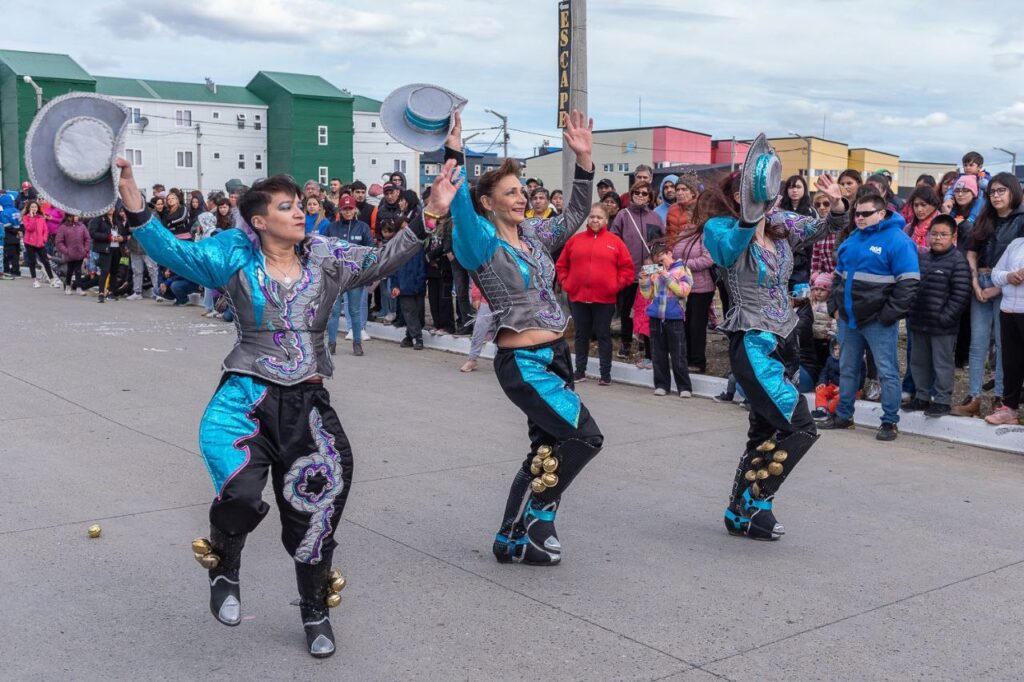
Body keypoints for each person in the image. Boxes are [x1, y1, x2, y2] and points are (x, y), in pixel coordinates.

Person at [114, 154, 442, 657]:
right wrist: (134, 199)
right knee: (240, 494)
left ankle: (315, 610)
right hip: (245, 398)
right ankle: (225, 565)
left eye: (299, 206)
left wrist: (430, 214)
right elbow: (171, 250)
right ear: (260, 220)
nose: (298, 214)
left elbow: (382, 258)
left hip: (309, 407)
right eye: (286, 207)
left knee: (316, 513)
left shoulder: (327, 257)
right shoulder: (233, 256)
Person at [431, 110, 600, 565]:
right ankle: (537, 521)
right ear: (489, 203)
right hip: (524, 363)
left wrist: (584, 160)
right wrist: (454, 150)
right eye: (511, 192)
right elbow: (460, 206)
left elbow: (578, 213)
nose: (522, 197)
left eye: (523, 190)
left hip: (555, 356)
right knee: (584, 437)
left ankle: (509, 539)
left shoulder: (536, 236)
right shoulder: (480, 243)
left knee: (546, 450)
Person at [705, 161, 847, 541]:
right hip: (753, 341)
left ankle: (742, 512)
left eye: (772, 191)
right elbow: (730, 248)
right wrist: (753, 217)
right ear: (739, 196)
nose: (772, 198)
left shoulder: (782, 225)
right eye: (760, 191)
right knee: (800, 425)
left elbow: (827, 228)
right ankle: (756, 501)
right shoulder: (719, 228)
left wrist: (834, 205)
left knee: (764, 431)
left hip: (787, 341)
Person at [820, 193, 920, 440]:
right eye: (857, 214)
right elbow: (837, 276)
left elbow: (909, 283)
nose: (860, 218)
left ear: (881, 213)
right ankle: (844, 416)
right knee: (848, 368)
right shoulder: (853, 238)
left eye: (866, 214)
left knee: (887, 372)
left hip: (878, 322)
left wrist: (887, 316)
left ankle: (889, 422)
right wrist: (835, 305)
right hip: (848, 319)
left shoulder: (898, 241)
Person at [954, 173, 1024, 417]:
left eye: (1001, 191)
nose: (996, 196)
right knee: (978, 343)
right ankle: (973, 397)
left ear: (1013, 191)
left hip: (1008, 287)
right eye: (992, 192)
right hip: (981, 283)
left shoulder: (1022, 220)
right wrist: (974, 281)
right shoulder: (985, 218)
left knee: (1005, 346)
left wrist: (998, 286)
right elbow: (971, 252)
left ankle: (1000, 397)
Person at [555, 202, 634, 385]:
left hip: (604, 299)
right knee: (581, 335)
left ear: (606, 220)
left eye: (599, 217)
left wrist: (615, 286)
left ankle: (605, 374)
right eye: (592, 217)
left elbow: (627, 270)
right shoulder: (575, 241)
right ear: (587, 220)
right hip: (578, 297)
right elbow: (561, 265)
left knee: (603, 335)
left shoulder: (615, 242)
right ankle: (579, 371)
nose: (595, 220)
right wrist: (567, 283)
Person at [903, 215, 971, 417]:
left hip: (942, 326)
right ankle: (921, 397)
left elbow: (960, 295)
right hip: (919, 321)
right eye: (934, 234)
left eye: (943, 234)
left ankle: (942, 400)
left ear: (953, 236)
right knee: (918, 362)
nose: (938, 238)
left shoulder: (958, 261)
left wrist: (945, 318)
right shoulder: (922, 259)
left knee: (942, 364)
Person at [609, 179, 665, 358]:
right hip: (628, 272)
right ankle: (626, 343)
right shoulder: (623, 215)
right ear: (631, 194)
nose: (640, 196)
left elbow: (661, 243)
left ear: (650, 197)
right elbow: (614, 241)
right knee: (626, 311)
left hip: (650, 273)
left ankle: (646, 344)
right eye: (637, 193)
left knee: (647, 309)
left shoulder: (655, 217)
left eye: (644, 193)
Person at [671, 189, 721, 373]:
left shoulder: (706, 234)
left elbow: (709, 259)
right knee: (683, 324)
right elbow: (676, 254)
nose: (690, 218)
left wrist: (682, 265)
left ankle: (698, 361)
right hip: (682, 287)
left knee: (696, 326)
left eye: (694, 214)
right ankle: (685, 357)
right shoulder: (683, 233)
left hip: (701, 288)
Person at [640, 241, 694, 397]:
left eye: (662, 257)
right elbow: (647, 295)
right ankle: (662, 384)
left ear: (670, 253)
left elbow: (683, 291)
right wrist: (644, 280)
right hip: (656, 317)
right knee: (658, 353)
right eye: (657, 260)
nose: (659, 262)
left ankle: (684, 387)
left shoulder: (683, 269)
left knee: (678, 354)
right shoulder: (655, 272)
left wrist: (667, 275)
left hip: (674, 317)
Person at [323, 195, 375, 356]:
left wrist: (365, 271)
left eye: (350, 209)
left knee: (355, 310)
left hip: (354, 276)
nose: (348, 212)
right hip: (336, 276)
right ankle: (331, 343)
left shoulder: (363, 227)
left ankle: (357, 343)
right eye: (345, 209)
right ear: (340, 210)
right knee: (334, 312)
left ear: (355, 210)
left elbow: (370, 250)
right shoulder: (332, 228)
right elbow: (324, 249)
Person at [988, 230, 1024, 425]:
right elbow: (995, 274)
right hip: (1009, 310)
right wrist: (1009, 276)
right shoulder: (1016, 243)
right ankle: (1009, 408)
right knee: (1011, 362)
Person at [391, 217, 427, 350]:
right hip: (403, 287)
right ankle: (418, 338)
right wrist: (394, 285)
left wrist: (419, 284)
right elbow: (393, 269)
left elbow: (422, 268)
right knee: (409, 312)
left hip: (417, 287)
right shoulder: (396, 249)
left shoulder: (418, 247)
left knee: (418, 314)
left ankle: (409, 336)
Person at [424, 215, 456, 335]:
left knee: (444, 299)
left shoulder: (449, 225)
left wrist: (431, 255)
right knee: (433, 298)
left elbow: (446, 246)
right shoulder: (432, 227)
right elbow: (427, 244)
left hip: (444, 268)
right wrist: (429, 258)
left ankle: (448, 326)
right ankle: (437, 324)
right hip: (432, 268)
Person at [942, 151, 991, 225]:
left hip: (978, 201)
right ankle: (951, 219)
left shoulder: (984, 176)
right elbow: (951, 190)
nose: (967, 168)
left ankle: (972, 218)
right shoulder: (960, 177)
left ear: (979, 167)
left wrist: (982, 183)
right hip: (961, 206)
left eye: (971, 165)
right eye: (965, 165)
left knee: (981, 198)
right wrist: (948, 199)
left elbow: (991, 186)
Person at [88, 208, 125, 302]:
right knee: (105, 271)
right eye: (109, 207)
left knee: (114, 271)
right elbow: (93, 233)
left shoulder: (117, 219)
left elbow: (124, 233)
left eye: (113, 207)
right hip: (105, 249)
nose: (111, 209)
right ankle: (101, 293)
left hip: (117, 248)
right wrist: (108, 237)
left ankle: (111, 292)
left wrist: (122, 238)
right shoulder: (99, 219)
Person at [460, 279, 497, 372]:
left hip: (507, 299)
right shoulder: (484, 263)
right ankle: (472, 359)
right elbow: (476, 275)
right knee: (479, 327)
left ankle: (499, 361)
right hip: (487, 297)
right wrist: (476, 296)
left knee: (503, 331)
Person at [21, 200, 58, 288]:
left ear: (38, 208)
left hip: (40, 243)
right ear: (29, 208)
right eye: (32, 207)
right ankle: (35, 280)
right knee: (32, 261)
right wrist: (32, 217)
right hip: (29, 243)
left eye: (35, 207)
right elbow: (29, 228)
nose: (34, 208)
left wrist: (44, 239)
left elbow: (45, 230)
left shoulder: (41, 217)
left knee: (46, 261)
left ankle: (52, 280)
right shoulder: (26, 217)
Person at [55, 212, 90, 295]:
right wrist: (66, 251)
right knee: (70, 270)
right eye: (74, 216)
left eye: (77, 215)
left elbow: (87, 239)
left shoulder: (82, 226)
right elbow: (59, 242)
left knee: (78, 270)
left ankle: (79, 287)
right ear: (69, 216)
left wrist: (85, 250)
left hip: (80, 252)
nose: (76, 217)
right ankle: (67, 286)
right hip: (69, 254)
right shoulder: (63, 227)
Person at [904, 186, 941, 251]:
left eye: (923, 205)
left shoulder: (943, 226)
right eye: (916, 205)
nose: (919, 209)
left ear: (934, 204)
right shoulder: (908, 228)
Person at [1, 192, 21, 278]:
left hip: (8, 236)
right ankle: (16, 270)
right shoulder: (17, 211)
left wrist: (15, 232)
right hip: (18, 237)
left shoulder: (4, 213)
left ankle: (8, 270)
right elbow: (22, 223)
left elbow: (7, 226)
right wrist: (19, 232)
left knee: (8, 255)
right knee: (16, 255)